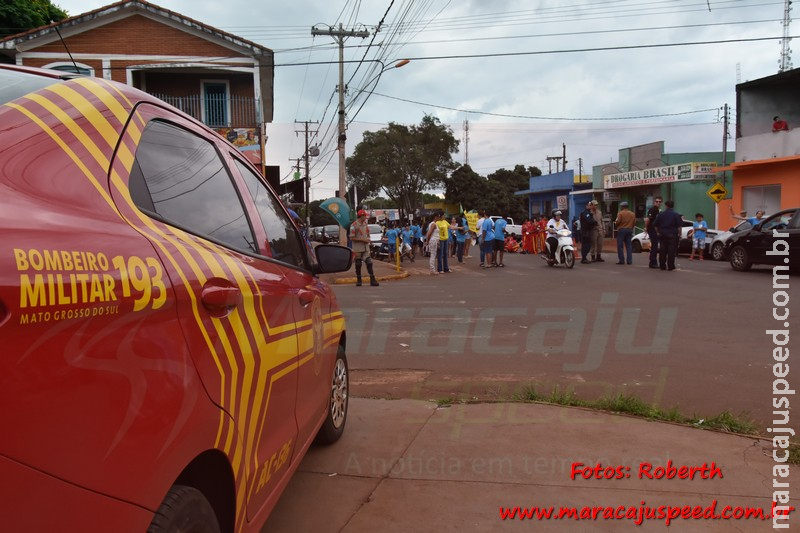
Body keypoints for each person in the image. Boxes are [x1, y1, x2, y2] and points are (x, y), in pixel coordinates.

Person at [348, 210, 379, 286]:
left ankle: (372, 279)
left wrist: (368, 239)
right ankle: (359, 280)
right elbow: (351, 238)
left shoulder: (365, 224)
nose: (365, 217)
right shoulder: (354, 225)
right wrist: (363, 240)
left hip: (366, 247)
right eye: (365, 216)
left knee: (369, 262)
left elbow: (367, 234)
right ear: (361, 216)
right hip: (358, 248)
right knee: (358, 264)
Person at [652, 200, 682, 271]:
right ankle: (671, 266)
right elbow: (679, 226)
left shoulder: (661, 214)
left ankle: (662, 266)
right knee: (671, 251)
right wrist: (679, 234)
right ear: (673, 206)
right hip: (672, 235)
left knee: (662, 250)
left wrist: (658, 232)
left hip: (662, 234)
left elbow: (655, 225)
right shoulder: (676, 214)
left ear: (666, 206)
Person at [645, 196, 663, 269]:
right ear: (654, 202)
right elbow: (647, 219)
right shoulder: (652, 210)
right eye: (657, 201)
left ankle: (653, 262)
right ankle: (652, 262)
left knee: (655, 246)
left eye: (659, 201)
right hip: (652, 229)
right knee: (654, 246)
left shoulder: (659, 210)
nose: (658, 203)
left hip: (657, 230)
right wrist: (646, 228)